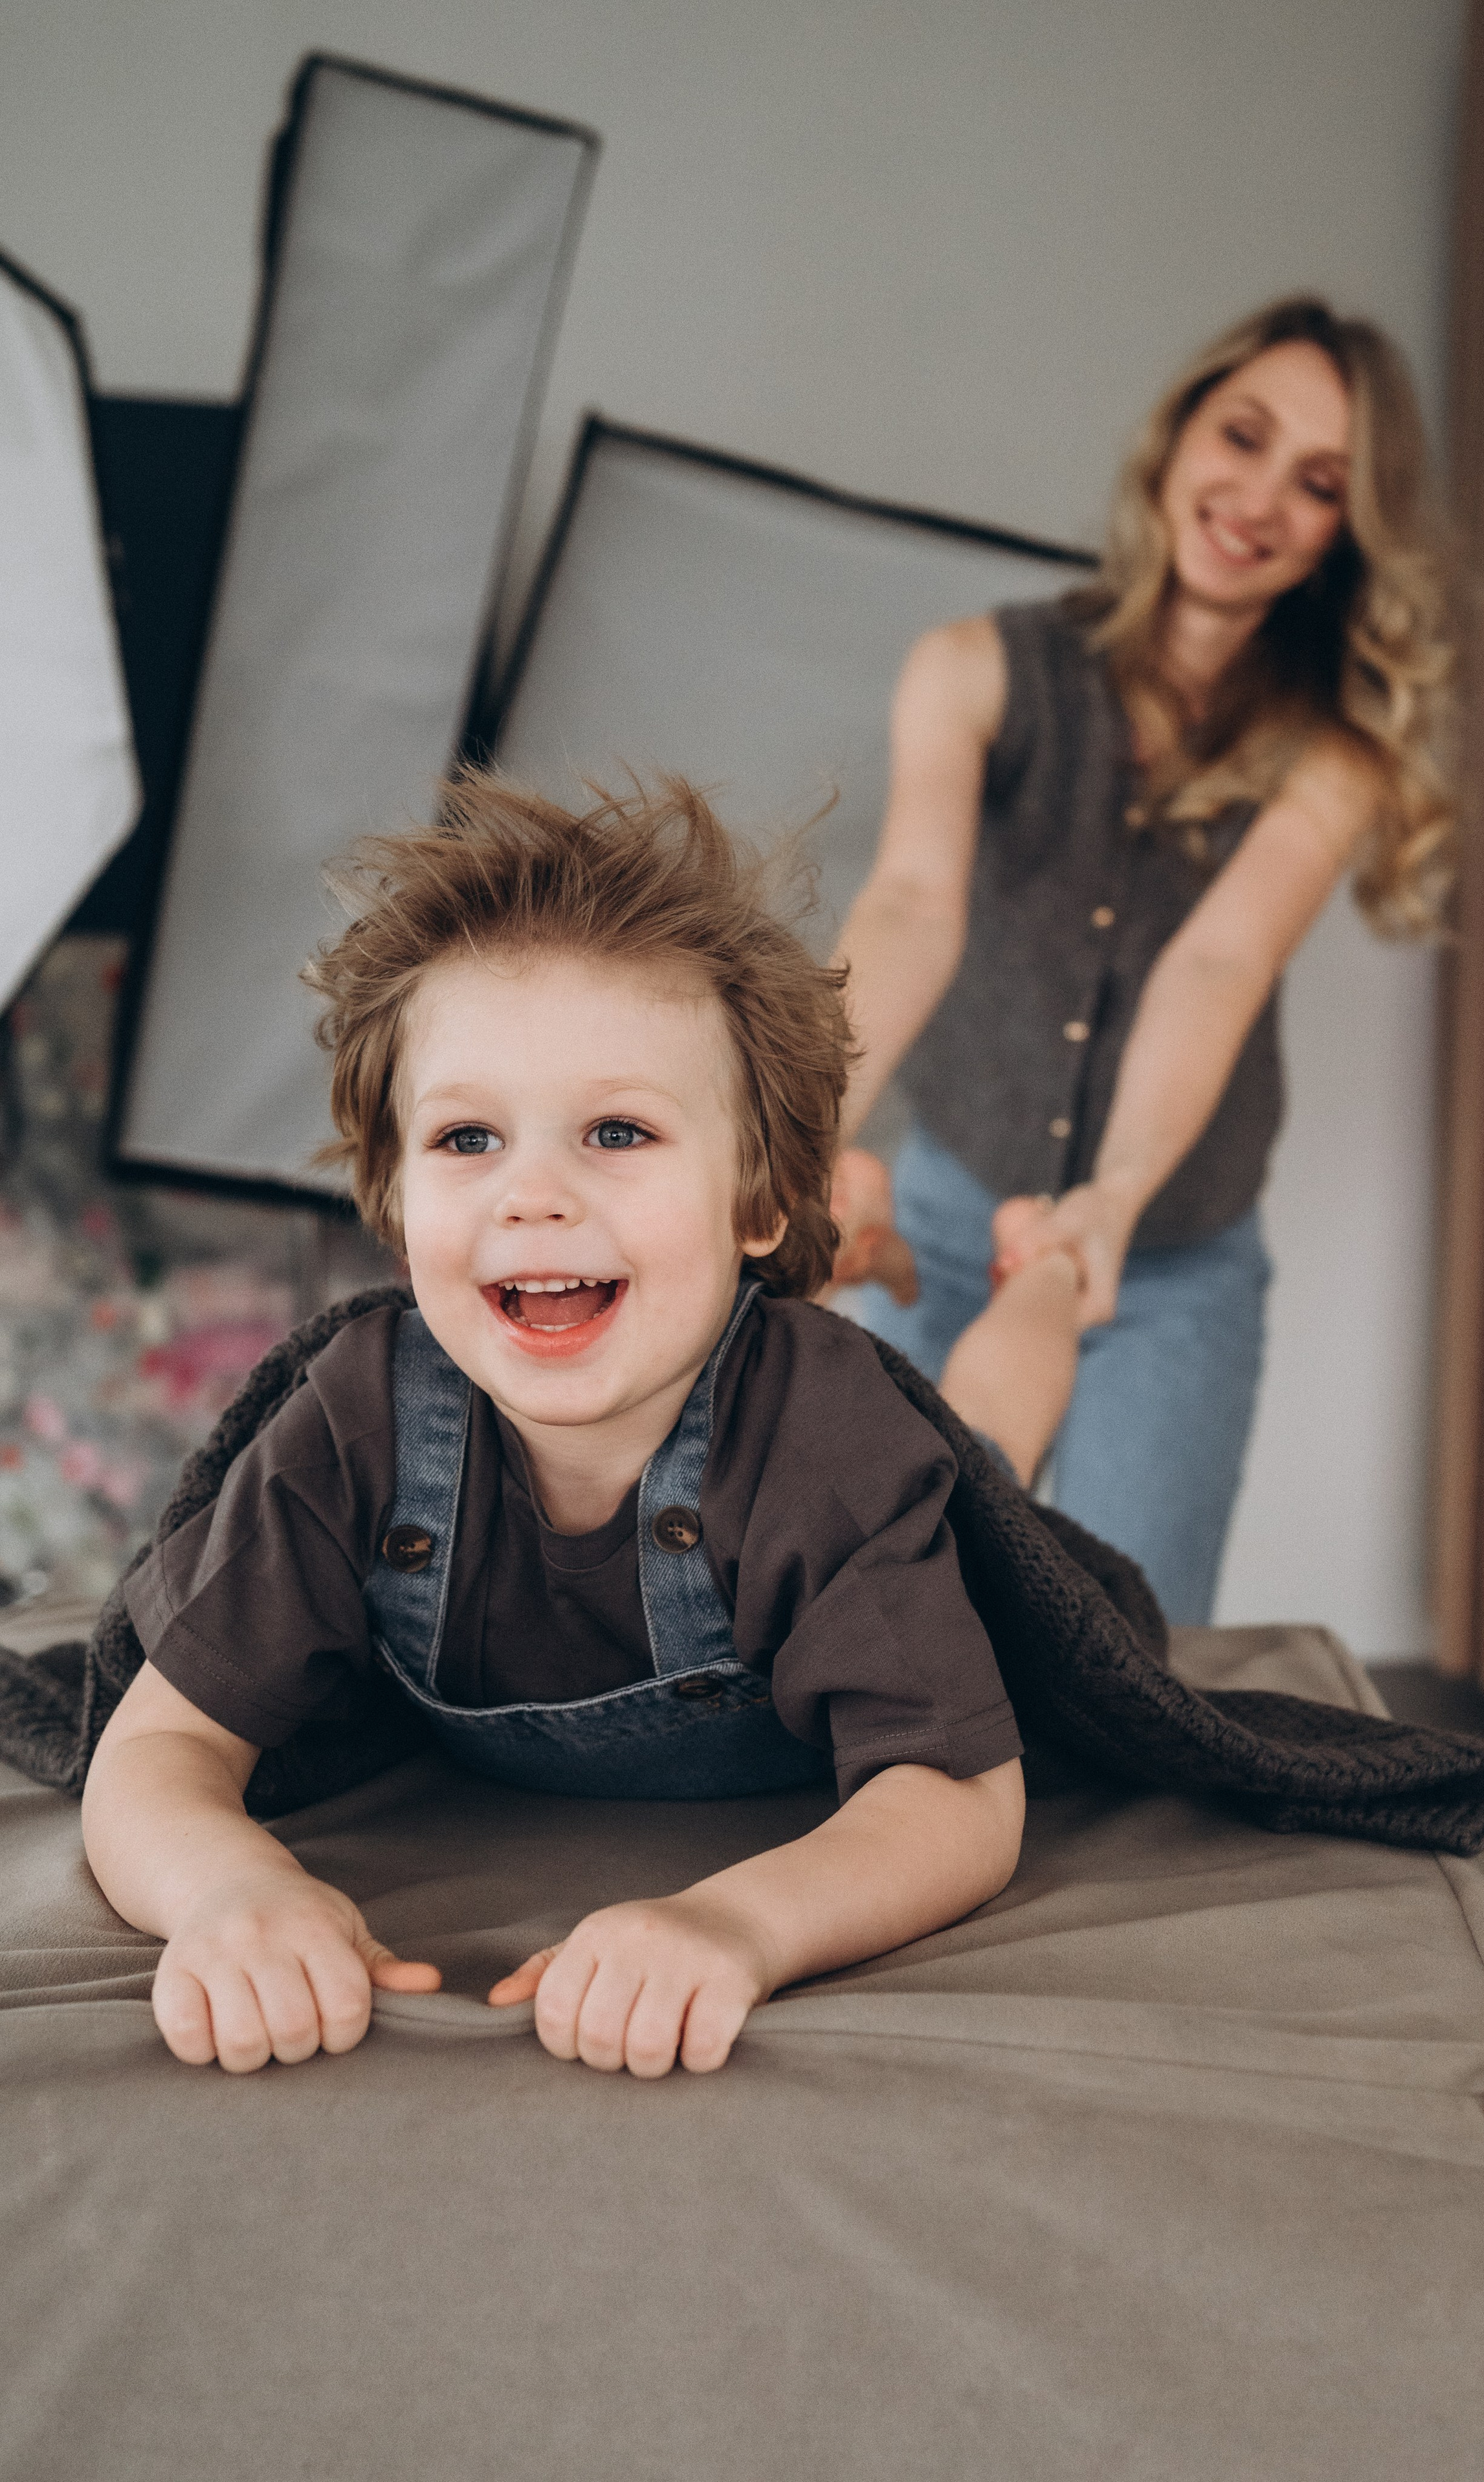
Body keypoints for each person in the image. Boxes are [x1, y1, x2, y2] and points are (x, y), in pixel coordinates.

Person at [80, 777, 1027, 2081]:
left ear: (754, 1195)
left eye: (616, 1131)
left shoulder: (826, 1436)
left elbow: (960, 1796)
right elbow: (158, 1747)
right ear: (396, 1199)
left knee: (993, 1427)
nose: (532, 1194)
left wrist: (735, 1922)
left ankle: (1040, 1283)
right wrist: (228, 1890)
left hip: (868, 1396)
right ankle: (842, 1226)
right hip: (747, 1254)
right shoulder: (360, 1417)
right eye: (468, 1136)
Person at [829, 294, 1457, 1623]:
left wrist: (1108, 1199)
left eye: (1319, 483)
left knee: (1126, 1643)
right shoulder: (969, 671)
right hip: (941, 1224)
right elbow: (908, 905)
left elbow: (1215, 965)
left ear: (1344, 530)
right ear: (1176, 437)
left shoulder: (1327, 758)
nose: (1257, 499)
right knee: (881, 1606)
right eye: (1240, 435)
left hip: (1171, 1263)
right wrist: (796, 1126)